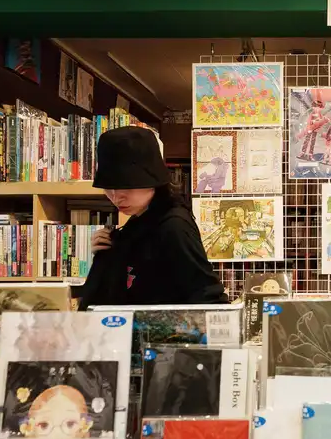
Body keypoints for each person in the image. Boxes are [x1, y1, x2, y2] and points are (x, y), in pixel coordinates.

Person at [78, 126, 227, 309]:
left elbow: (207, 294)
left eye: (126, 187)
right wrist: (109, 252)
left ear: (152, 181)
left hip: (164, 327)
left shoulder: (174, 226)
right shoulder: (140, 220)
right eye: (109, 189)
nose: (116, 197)